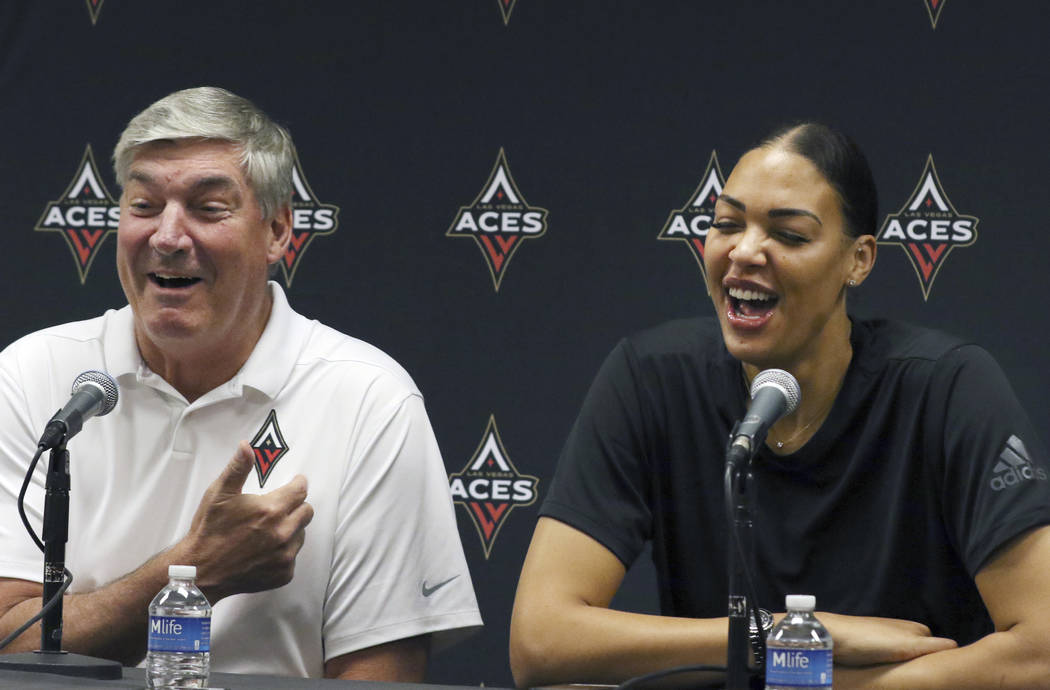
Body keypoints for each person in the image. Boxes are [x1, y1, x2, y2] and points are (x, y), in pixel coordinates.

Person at [509, 122, 1050, 688]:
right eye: (726, 225)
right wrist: (784, 634)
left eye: (788, 235)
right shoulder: (651, 378)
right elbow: (540, 641)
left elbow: (1038, 650)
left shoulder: (947, 387)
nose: (743, 252)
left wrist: (826, 681)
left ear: (858, 260)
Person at [0, 87, 481, 680]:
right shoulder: (33, 374)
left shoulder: (368, 399)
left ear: (277, 230)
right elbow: (7, 639)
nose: (169, 237)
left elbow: (380, 677)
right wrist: (195, 570)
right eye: (145, 205)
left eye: (208, 208)